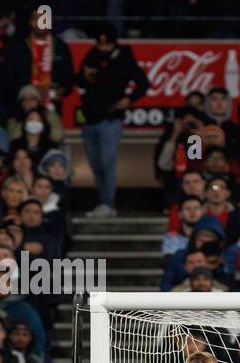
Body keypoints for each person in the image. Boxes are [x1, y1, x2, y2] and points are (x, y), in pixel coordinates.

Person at [76, 21, 149, 217]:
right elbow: (80, 81)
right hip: (90, 118)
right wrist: (86, 77)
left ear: (114, 43)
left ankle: (109, 204)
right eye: (100, 44)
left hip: (110, 118)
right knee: (95, 164)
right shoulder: (92, 54)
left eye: (106, 45)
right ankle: (103, 203)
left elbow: (143, 84)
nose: (103, 48)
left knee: (107, 161)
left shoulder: (124, 56)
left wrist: (129, 99)